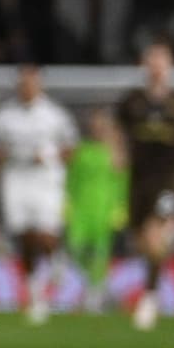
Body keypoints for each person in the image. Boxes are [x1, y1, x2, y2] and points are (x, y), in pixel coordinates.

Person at [117, 42, 174, 331]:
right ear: (145, 66)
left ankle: (149, 298)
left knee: (154, 237)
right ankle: (165, 243)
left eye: (161, 61)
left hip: (166, 180)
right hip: (137, 180)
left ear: (169, 66)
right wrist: (117, 153)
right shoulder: (132, 102)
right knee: (141, 240)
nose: (156, 67)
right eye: (152, 60)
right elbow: (116, 132)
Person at [0, 65, 77, 325]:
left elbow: (71, 150)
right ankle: (36, 296)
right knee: (25, 238)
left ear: (40, 85)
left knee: (45, 234)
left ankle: (57, 257)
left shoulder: (55, 115)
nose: (26, 87)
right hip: (15, 179)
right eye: (22, 83)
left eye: (31, 82)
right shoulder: (3, 116)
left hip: (46, 179)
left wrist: (47, 156)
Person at [64, 109, 127, 314]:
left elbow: (122, 182)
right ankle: (104, 288)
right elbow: (71, 179)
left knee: (100, 255)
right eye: (95, 124)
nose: (98, 128)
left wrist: (120, 208)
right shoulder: (81, 150)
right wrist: (67, 204)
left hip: (104, 210)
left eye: (102, 125)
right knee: (75, 251)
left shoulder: (115, 153)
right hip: (81, 210)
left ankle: (93, 298)